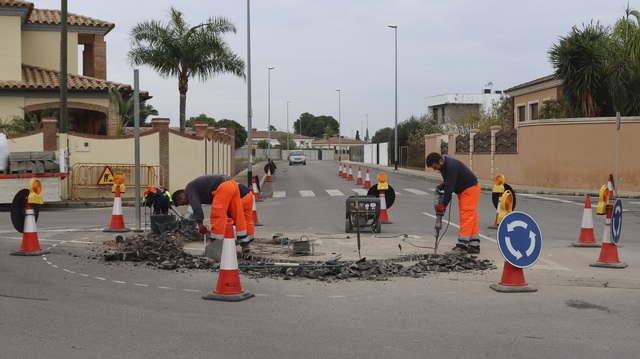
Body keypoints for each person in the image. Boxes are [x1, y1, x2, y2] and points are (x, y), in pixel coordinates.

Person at [172, 175, 250, 252]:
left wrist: (200, 223)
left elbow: (196, 206)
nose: (185, 204)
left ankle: (216, 244)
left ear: (182, 195)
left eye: (182, 203)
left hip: (224, 186)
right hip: (232, 184)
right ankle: (245, 242)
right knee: (237, 214)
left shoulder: (189, 190)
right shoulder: (195, 188)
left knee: (217, 215)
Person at [426, 152, 481, 254]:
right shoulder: (444, 162)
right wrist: (445, 182)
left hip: (469, 190)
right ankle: (474, 244)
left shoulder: (451, 166)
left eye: (435, 167)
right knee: (471, 217)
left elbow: (449, 188)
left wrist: (444, 204)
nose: (435, 169)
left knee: (466, 216)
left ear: (440, 161)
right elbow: (450, 180)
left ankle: (462, 246)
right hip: (468, 190)